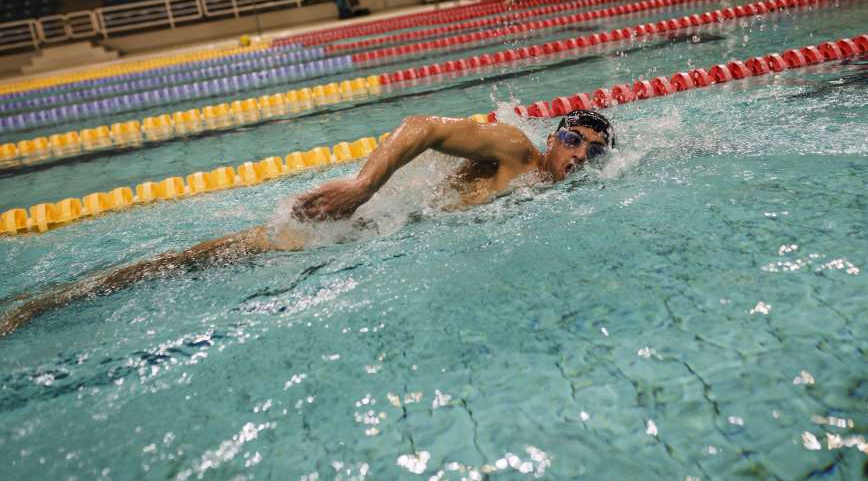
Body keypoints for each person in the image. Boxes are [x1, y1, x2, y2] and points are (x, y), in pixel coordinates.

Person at [0, 111, 616, 337]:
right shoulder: (513, 148)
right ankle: (39, 305)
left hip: (382, 241)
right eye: (575, 141)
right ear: (553, 135)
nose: (580, 156)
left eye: (594, 152)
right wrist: (359, 186)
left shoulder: (547, 188)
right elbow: (421, 127)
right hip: (359, 223)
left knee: (217, 269)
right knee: (200, 260)